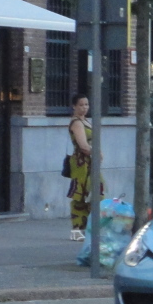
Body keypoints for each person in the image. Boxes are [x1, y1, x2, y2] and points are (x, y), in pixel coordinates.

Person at [67, 93, 100, 237]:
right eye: (81, 105)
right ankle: (77, 229)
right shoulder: (77, 123)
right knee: (80, 194)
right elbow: (83, 145)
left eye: (86, 104)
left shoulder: (86, 121)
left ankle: (89, 227)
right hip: (82, 163)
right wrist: (96, 153)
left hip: (91, 162)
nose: (84, 107)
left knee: (95, 192)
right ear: (74, 106)